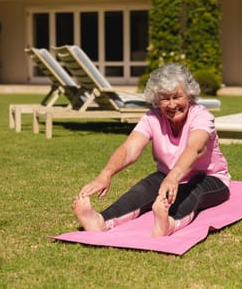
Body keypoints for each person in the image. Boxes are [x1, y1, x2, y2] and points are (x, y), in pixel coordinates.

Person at [73, 63, 231, 237]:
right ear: (157, 100)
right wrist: (106, 173)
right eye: (165, 99)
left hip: (209, 178)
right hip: (168, 174)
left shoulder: (201, 116)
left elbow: (195, 148)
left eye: (177, 97)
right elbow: (129, 148)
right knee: (144, 188)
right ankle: (101, 221)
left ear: (189, 95)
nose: (171, 105)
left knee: (193, 191)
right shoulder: (152, 118)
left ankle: (169, 224)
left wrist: (174, 176)